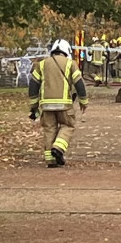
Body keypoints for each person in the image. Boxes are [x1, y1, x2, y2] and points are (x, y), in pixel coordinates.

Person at [28, 39, 88, 168]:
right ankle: (58, 148)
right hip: (64, 104)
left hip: (46, 105)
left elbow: (33, 85)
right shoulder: (71, 64)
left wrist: (33, 106)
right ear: (67, 51)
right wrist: (84, 101)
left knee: (49, 129)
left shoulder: (42, 64)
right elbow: (79, 83)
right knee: (68, 125)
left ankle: (51, 160)